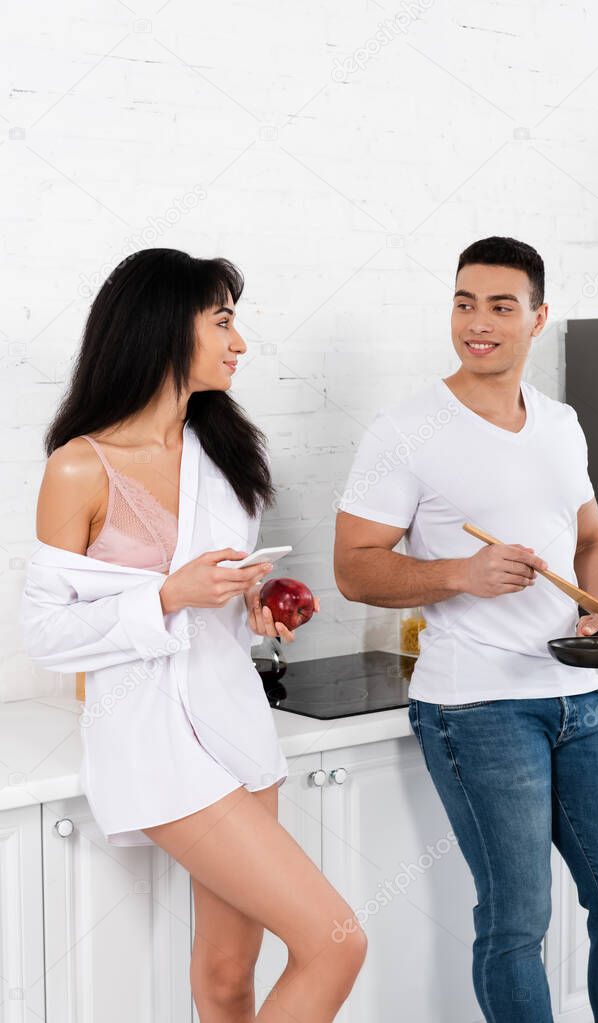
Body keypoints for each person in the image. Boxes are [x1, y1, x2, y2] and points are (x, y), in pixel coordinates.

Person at [21, 248, 367, 1022]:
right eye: (221, 320)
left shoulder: (226, 451)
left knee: (225, 975)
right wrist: (169, 595)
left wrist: (258, 603)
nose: (239, 341)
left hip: (235, 722)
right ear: (161, 328)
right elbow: (45, 635)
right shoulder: (80, 469)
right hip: (154, 741)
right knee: (337, 941)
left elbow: (216, 591)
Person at [334, 236, 598, 1022]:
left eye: (500, 306)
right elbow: (352, 566)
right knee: (517, 923)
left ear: (537, 317)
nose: (477, 323)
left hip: (579, 698)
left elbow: (589, 541)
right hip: (476, 708)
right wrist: (459, 573)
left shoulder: (559, 423)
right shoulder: (404, 428)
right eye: (463, 302)